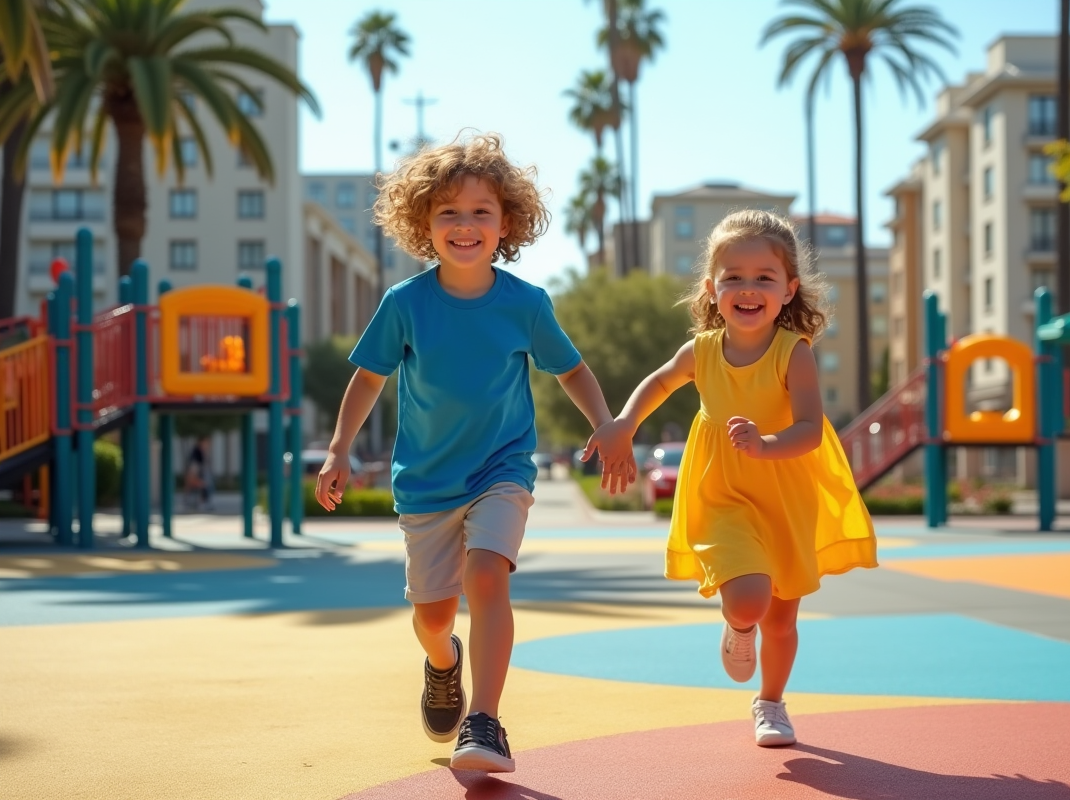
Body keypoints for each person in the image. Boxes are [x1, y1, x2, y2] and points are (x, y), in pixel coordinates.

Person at [314, 133, 629, 773]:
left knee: (487, 577)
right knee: (432, 617)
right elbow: (369, 378)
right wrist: (339, 448)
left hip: (501, 469)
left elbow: (571, 370)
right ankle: (442, 662)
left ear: (505, 223)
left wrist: (607, 422)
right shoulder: (404, 304)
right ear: (423, 224)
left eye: (481, 211)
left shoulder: (526, 304)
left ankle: (484, 722)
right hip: (427, 482)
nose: (465, 225)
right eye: (448, 212)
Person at [595, 209, 877, 747]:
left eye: (764, 278)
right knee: (750, 599)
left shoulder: (794, 355)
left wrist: (767, 444)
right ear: (712, 287)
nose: (748, 289)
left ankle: (770, 702)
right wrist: (625, 424)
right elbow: (657, 384)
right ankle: (738, 623)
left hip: (785, 489)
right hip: (722, 488)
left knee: (784, 617)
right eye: (734, 277)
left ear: (789, 289)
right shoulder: (701, 350)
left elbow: (811, 430)